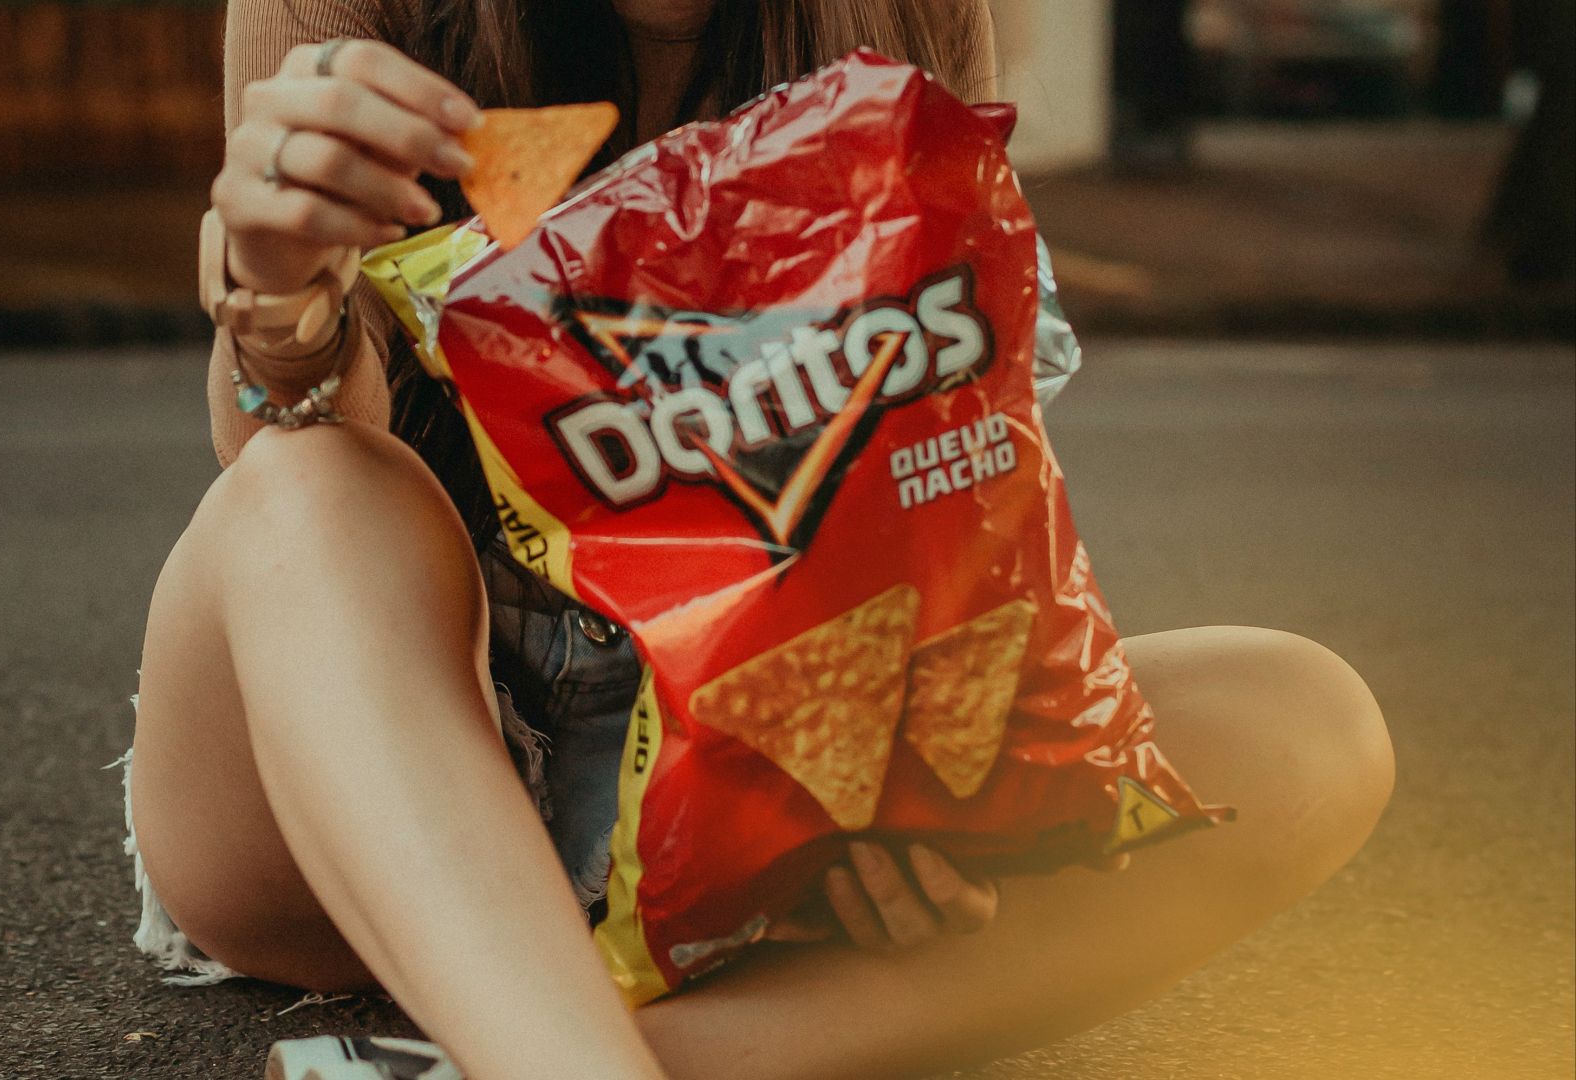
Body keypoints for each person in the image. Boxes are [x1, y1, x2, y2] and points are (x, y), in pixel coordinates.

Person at [124, 2, 1395, 1077]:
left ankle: (539, 1051)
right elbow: (284, 458)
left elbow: (938, 476)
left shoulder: (898, 12)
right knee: (308, 490)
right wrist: (281, 297)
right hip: (374, 766)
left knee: (1302, 725)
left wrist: (911, 779)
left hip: (739, 792)